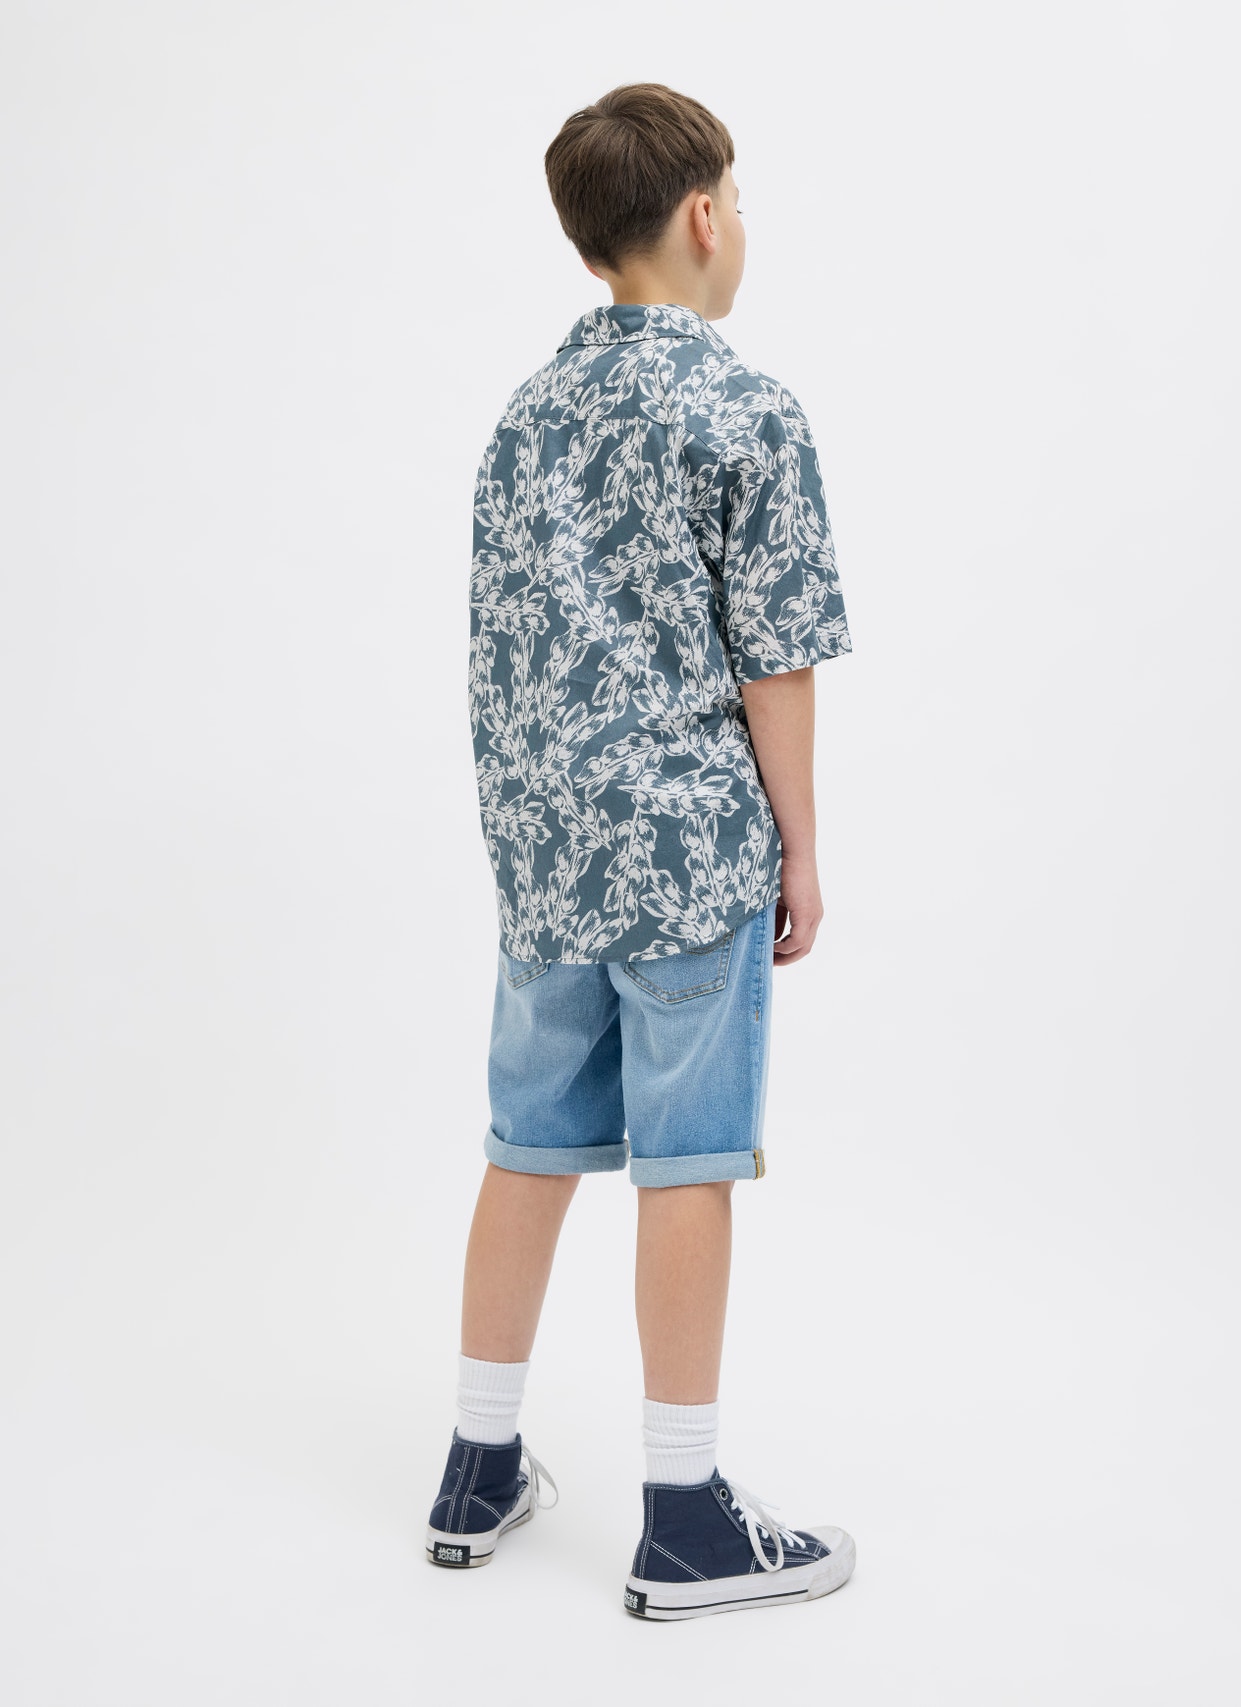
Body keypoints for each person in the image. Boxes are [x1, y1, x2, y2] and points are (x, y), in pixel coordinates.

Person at [426, 82, 857, 1620]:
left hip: (548, 866)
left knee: (526, 1149)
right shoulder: (749, 410)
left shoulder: (525, 419)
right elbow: (776, 661)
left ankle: (476, 1469)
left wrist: (526, 847)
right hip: (688, 858)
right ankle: (684, 1519)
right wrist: (800, 851)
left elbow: (500, 655)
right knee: (688, 1163)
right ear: (703, 214)